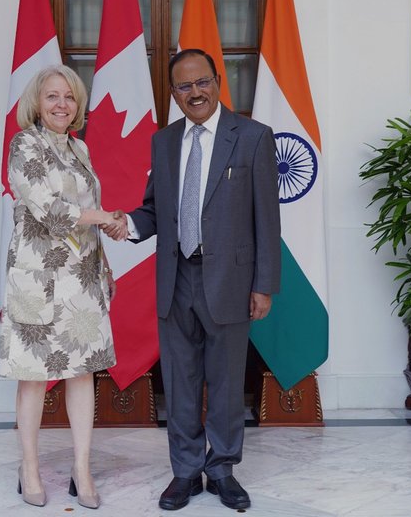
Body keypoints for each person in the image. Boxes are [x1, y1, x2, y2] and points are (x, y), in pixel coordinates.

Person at [104, 49, 281, 511]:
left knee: (226, 381)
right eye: (184, 86)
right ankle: (184, 471)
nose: (195, 92)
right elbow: (154, 208)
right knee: (180, 380)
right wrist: (128, 224)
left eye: (202, 82)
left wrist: (264, 284)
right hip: (176, 276)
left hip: (232, 280)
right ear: (174, 93)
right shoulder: (164, 142)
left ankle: (221, 470)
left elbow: (268, 218)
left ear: (218, 81)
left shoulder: (253, 137)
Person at [0, 64, 128, 509]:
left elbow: (88, 211)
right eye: (52, 96)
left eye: (70, 97)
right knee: (34, 376)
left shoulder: (79, 148)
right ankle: (29, 468)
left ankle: (82, 468)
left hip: (83, 278)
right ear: (37, 103)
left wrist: (104, 258)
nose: (62, 104)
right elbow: (47, 208)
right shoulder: (23, 144)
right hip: (38, 277)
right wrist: (104, 217)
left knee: (82, 371)